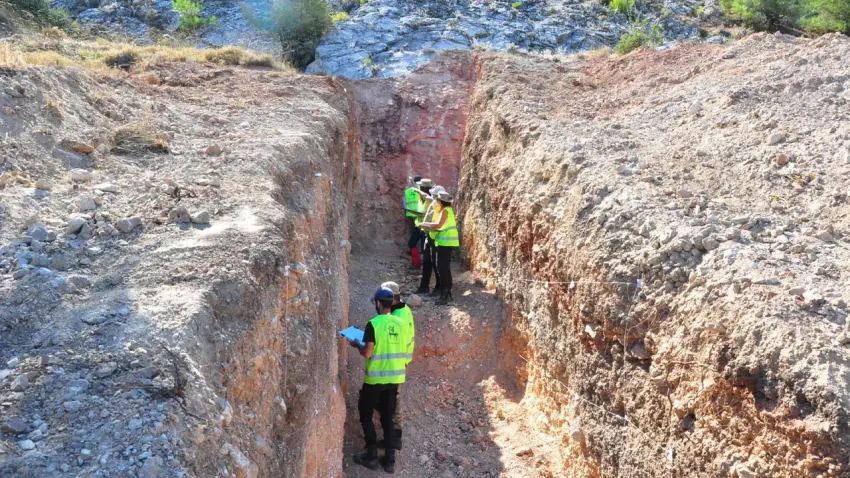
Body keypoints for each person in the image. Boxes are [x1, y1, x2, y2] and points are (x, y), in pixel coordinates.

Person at [349, 287, 409, 474]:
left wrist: (357, 344)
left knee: (366, 414)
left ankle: (372, 455)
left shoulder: (373, 324)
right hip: (395, 378)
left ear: (377, 303)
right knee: (388, 417)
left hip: (375, 380)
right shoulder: (401, 323)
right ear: (392, 303)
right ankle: (390, 460)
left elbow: (367, 353)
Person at [376, 281, 414, 452]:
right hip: (401, 361)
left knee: (391, 401)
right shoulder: (404, 310)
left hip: (394, 364)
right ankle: (394, 437)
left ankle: (394, 439)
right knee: (392, 400)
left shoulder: (397, 318)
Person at [420, 190, 459, 305]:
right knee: (443, 268)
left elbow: (438, 225)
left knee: (443, 268)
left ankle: (445, 295)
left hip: (445, 243)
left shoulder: (446, 211)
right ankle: (446, 294)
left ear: (441, 201)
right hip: (443, 243)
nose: (436, 201)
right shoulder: (446, 210)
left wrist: (424, 224)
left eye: (437, 200)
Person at [414, 185, 444, 296]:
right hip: (428, 236)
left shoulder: (441, 208)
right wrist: (418, 191)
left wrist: (425, 225)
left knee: (436, 265)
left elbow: (438, 224)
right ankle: (424, 286)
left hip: (435, 238)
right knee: (427, 262)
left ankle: (438, 287)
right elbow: (426, 196)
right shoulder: (434, 203)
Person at [403, 176, 424, 267]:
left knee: (413, 237)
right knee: (422, 237)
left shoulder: (408, 191)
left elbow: (404, 203)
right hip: (420, 217)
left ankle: (415, 258)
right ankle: (421, 255)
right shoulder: (423, 191)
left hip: (410, 216)